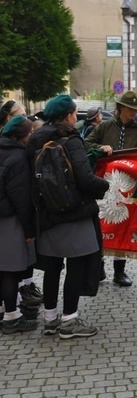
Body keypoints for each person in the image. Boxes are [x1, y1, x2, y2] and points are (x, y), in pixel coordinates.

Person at [28, 95, 110, 339]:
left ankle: (50, 320)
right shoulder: (72, 140)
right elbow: (85, 179)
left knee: (52, 268)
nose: (77, 118)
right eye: (75, 113)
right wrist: (104, 186)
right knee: (76, 267)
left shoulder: (34, 141)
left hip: (48, 214)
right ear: (68, 115)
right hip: (75, 213)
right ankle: (69, 321)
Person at [84, 90, 137, 287]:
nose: (133, 112)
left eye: (135, 109)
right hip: (103, 182)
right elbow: (86, 144)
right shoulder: (104, 126)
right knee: (104, 224)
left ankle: (119, 271)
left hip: (128, 186)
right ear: (120, 108)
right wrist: (101, 148)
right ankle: (99, 268)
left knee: (124, 226)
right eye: (130, 109)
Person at [0, 116, 37, 334]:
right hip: (10, 219)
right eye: (30, 132)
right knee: (11, 271)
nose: (31, 136)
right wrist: (30, 229)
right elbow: (21, 198)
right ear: (21, 136)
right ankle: (12, 317)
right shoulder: (19, 156)